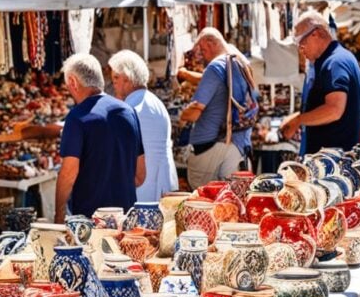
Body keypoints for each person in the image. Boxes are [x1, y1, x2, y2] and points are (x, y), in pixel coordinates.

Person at [56, 53, 144, 222]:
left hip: (91, 220)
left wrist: (59, 214)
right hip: (126, 217)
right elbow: (140, 175)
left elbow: (68, 173)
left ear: (73, 82)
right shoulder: (128, 111)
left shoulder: (77, 117)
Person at [180, 28, 256, 188]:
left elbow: (195, 112)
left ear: (211, 43)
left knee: (203, 201)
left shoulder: (214, 67)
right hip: (238, 143)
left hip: (210, 145)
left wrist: (182, 115)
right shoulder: (239, 62)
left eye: (203, 49)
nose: (202, 55)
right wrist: (187, 75)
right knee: (231, 199)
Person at [282, 11, 360, 155]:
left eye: (302, 41)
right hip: (332, 158)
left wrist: (299, 120)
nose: (300, 49)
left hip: (334, 162)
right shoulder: (336, 59)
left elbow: (334, 110)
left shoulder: (335, 62)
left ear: (317, 33)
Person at [109, 50, 178, 201]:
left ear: (127, 79)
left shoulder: (130, 108)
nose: (113, 83)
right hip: (166, 181)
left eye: (116, 78)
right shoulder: (155, 102)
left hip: (144, 190)